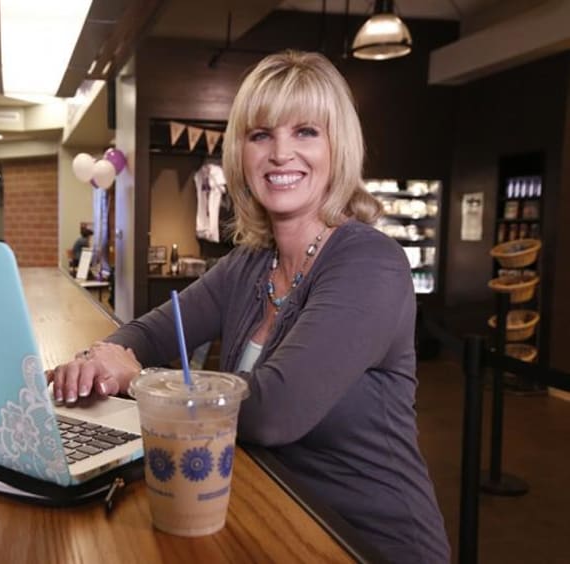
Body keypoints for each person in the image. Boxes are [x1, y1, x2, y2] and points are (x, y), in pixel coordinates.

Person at [48, 51, 450, 563]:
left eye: (306, 131)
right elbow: (152, 332)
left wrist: (136, 380)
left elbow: (272, 411)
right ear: (240, 152)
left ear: (338, 146)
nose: (281, 153)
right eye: (260, 135)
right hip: (272, 514)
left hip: (366, 540)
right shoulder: (249, 264)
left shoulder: (371, 264)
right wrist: (98, 359)